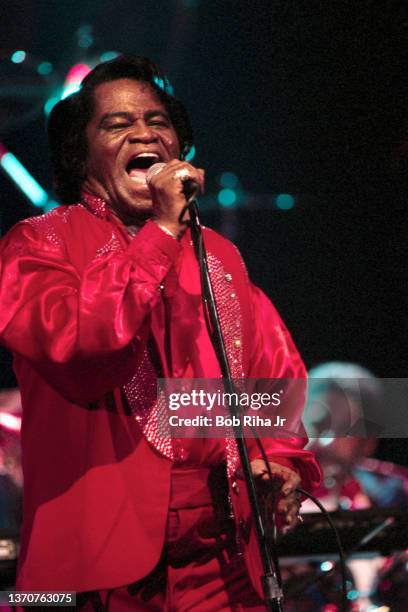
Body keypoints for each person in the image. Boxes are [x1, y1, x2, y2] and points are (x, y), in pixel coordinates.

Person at [0, 56, 320, 610]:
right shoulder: (38, 244)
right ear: (80, 154)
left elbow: (273, 374)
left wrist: (280, 457)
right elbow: (83, 347)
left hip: (223, 555)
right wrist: (162, 232)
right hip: (97, 560)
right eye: (117, 124)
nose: (145, 132)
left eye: (158, 121)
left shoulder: (217, 256)